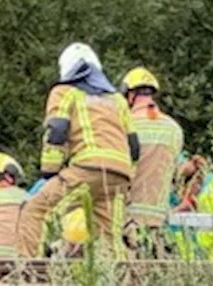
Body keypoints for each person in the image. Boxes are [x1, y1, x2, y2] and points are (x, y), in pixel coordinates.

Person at [15, 43, 139, 258]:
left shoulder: (64, 92)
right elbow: (134, 146)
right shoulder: (118, 100)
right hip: (119, 176)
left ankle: (28, 274)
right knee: (108, 238)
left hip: (86, 168)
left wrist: (50, 171)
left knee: (35, 210)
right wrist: (129, 176)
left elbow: (57, 129)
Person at [120, 67, 183, 252]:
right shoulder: (173, 129)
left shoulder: (125, 125)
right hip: (160, 221)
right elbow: (174, 175)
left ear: (130, 95)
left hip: (128, 220)